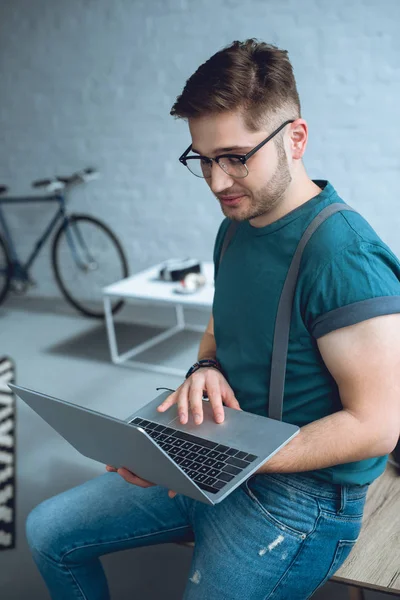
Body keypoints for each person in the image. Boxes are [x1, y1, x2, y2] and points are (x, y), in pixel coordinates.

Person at [26, 39, 400, 600]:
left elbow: (376, 425)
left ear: (295, 139)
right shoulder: (235, 226)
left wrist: (225, 460)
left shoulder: (342, 256)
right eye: (202, 159)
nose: (217, 181)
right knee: (46, 531)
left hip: (306, 497)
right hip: (225, 450)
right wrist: (204, 367)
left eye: (236, 157)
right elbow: (220, 325)